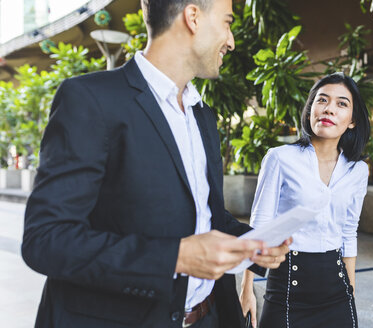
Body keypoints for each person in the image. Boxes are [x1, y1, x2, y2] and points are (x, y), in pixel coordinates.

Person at [21, 0, 291, 327]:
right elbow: (47, 240)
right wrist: (176, 257)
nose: (231, 41)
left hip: (209, 316)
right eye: (227, 22)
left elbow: (205, 214)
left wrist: (254, 246)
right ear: (193, 17)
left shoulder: (202, 115)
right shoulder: (91, 100)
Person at [240, 73, 371, 328]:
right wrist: (248, 289)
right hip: (287, 286)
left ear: (353, 121)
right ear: (311, 108)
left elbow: (348, 232)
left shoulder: (358, 171)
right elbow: (260, 228)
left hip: (337, 289)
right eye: (322, 100)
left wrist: (351, 290)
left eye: (341, 104)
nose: (329, 109)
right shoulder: (279, 158)